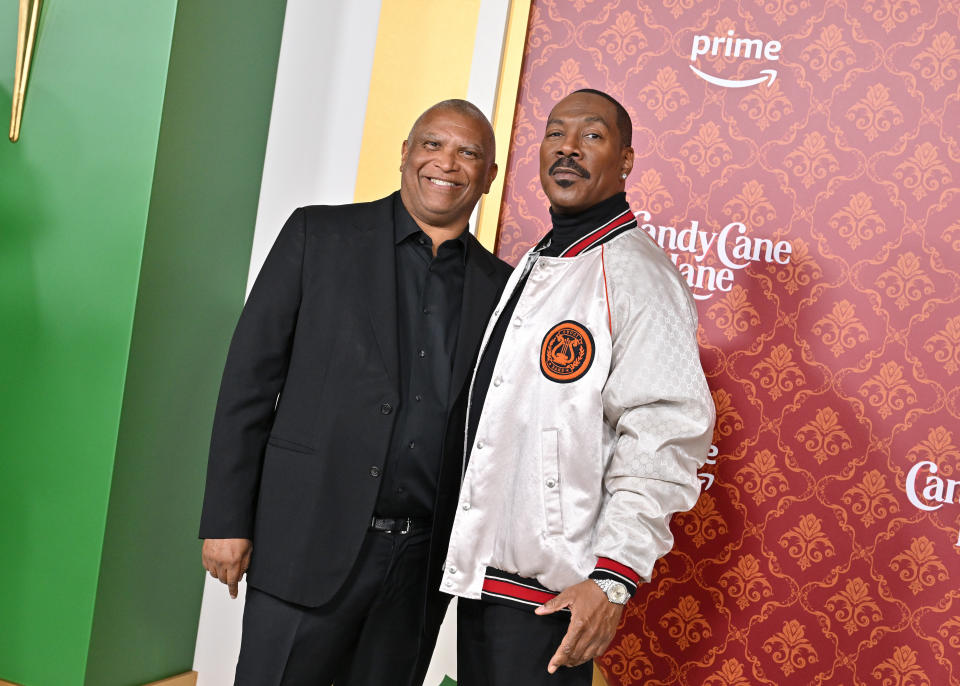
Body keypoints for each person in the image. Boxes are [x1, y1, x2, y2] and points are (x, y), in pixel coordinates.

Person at [198, 99, 511, 686]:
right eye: (432, 144)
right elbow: (248, 382)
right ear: (405, 154)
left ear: (489, 177)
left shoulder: (502, 290)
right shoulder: (319, 235)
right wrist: (226, 519)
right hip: (304, 543)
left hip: (417, 572)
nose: (447, 162)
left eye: (469, 152)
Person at [441, 89, 716, 685]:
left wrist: (614, 578)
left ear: (626, 160)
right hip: (489, 580)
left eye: (591, 135)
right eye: (555, 133)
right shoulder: (540, 258)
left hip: (555, 597)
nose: (567, 148)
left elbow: (664, 436)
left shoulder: (637, 272)